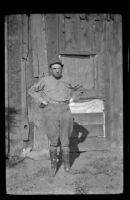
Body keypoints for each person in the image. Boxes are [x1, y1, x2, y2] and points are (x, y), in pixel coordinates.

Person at [28, 59, 84, 177]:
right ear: (50, 70)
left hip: (65, 110)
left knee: (65, 141)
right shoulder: (45, 80)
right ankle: (53, 168)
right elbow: (32, 90)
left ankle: (67, 168)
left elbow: (80, 88)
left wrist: (73, 99)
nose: (57, 70)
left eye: (59, 68)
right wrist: (41, 100)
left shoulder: (68, 79)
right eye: (54, 68)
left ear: (61, 69)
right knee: (53, 140)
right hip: (50, 111)